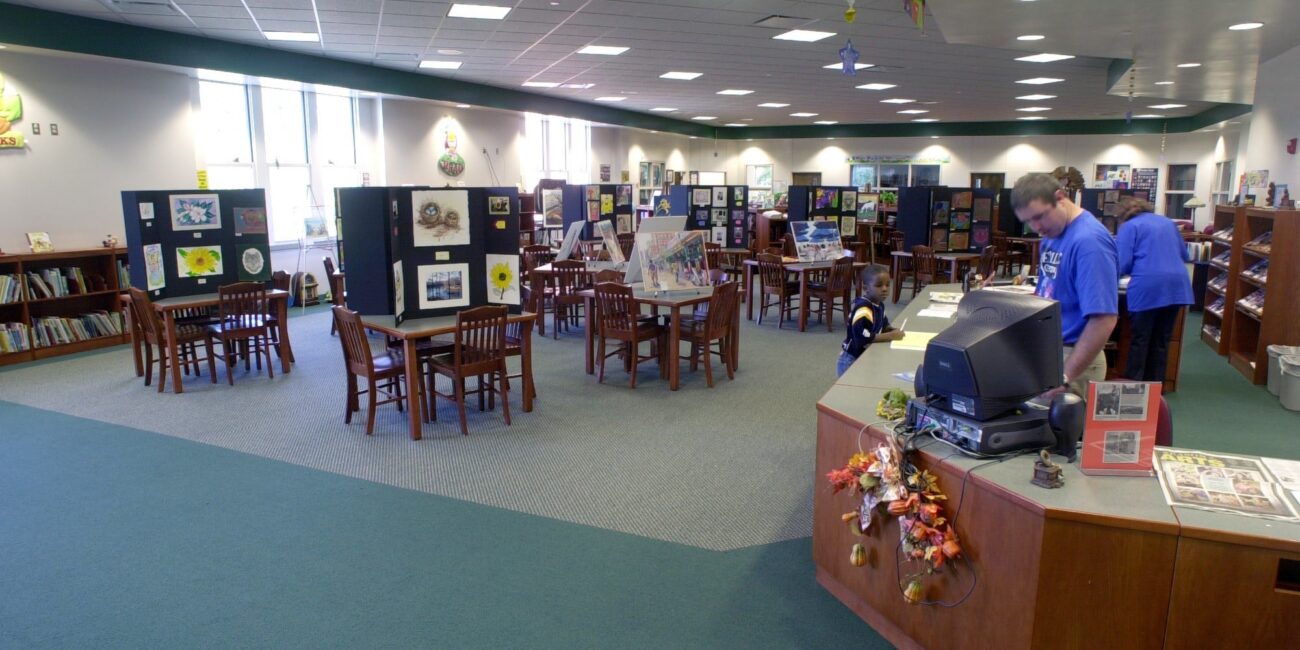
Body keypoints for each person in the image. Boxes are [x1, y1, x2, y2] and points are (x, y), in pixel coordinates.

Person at [1010, 173, 1119, 398]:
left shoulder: (1089, 242)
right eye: (1029, 221)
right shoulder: (1053, 233)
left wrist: (1065, 375)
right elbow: (1053, 291)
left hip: (1074, 360)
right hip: (1050, 352)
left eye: (1040, 216)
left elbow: (1104, 319)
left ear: (1060, 197)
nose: (1036, 226)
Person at [1115, 196, 1193, 382]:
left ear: (1123, 214)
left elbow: (1121, 263)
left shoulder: (1129, 226)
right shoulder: (1167, 222)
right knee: (1161, 340)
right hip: (1177, 286)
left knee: (1140, 340)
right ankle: (1157, 388)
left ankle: (1135, 386)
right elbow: (1185, 254)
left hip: (1148, 287)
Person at [837, 265, 906, 376]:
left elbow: (883, 325)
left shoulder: (879, 305)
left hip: (865, 355)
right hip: (851, 360)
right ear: (866, 288)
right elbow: (862, 338)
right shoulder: (864, 309)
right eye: (879, 285)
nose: (884, 289)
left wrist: (892, 330)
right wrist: (891, 336)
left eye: (887, 285)